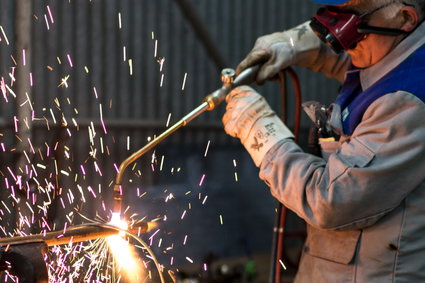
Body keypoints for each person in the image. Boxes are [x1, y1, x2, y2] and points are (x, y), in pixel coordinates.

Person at [222, 0, 425, 281]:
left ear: (405, 18)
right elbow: (351, 54)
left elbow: (331, 201)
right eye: (331, 19)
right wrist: (291, 43)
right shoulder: (392, 45)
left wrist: (260, 131)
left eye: (350, 26)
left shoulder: (409, 101)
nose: (339, 41)